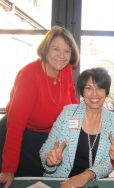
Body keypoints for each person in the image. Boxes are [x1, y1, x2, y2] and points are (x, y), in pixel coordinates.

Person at [0, 26, 80, 188]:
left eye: (67, 51)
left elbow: (73, 108)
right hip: (24, 137)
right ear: (45, 49)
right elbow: (15, 126)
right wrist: (8, 169)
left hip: (50, 136)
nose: (61, 56)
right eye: (56, 49)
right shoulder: (29, 76)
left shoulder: (65, 70)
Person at [40, 67, 114, 188]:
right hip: (61, 181)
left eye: (99, 87)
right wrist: (49, 159)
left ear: (106, 91)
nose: (94, 93)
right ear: (82, 91)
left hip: (94, 182)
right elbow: (46, 148)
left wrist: (88, 174)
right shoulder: (68, 113)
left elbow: (111, 161)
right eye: (88, 88)